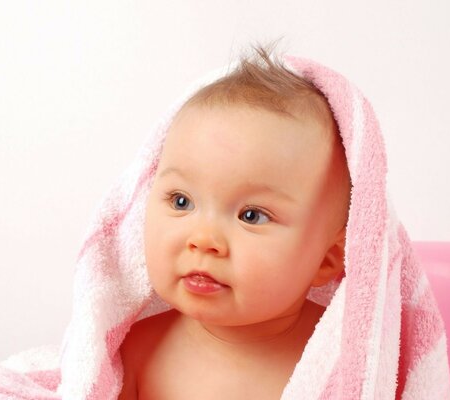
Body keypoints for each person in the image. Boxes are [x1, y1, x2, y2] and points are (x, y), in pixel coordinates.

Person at [118, 45, 352, 399]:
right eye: (182, 202)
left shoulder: (342, 360)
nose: (203, 239)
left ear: (327, 259)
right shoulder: (137, 351)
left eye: (251, 215)